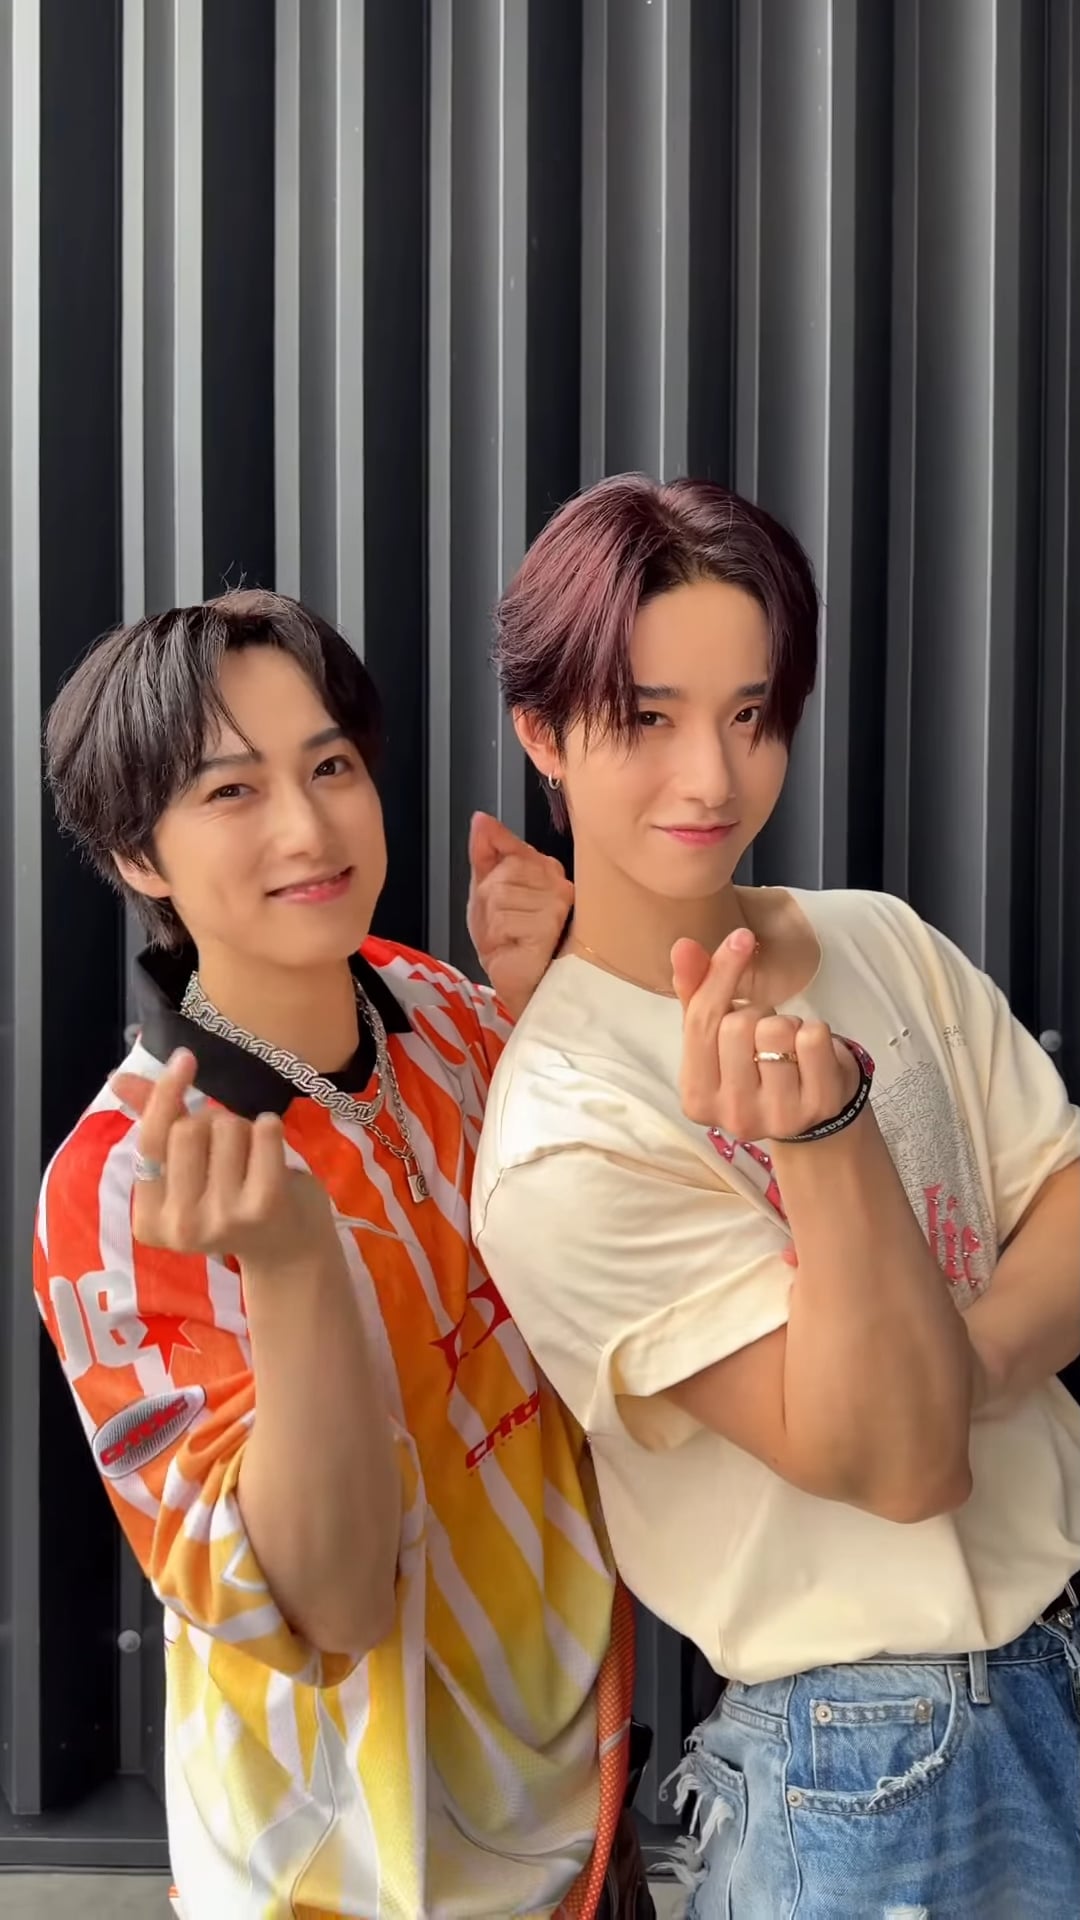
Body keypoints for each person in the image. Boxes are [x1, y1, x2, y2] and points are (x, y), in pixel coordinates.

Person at [471, 474, 1080, 1918]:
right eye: (649, 719)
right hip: (868, 1761)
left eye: (751, 714)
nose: (712, 778)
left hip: (1057, 1646)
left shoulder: (880, 940)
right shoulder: (566, 1131)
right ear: (542, 730)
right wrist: (827, 1138)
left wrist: (968, 1359)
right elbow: (904, 1464)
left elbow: (1067, 1197)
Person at [35, 589, 652, 1920]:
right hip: (353, 1879)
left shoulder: (439, 1011)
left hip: (587, 1813)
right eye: (231, 792)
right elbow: (329, 1604)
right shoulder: (122, 1184)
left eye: (330, 768)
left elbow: (614, 1300)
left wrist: (564, 1006)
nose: (308, 829)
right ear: (139, 854)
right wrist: (296, 1266)